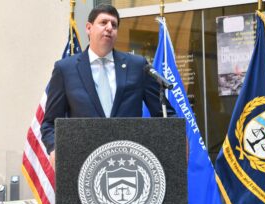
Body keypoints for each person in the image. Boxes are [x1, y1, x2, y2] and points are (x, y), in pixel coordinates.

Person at [41, 4, 175, 168]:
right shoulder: (65, 69)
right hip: (83, 163)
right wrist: (54, 148)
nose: (109, 28)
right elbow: (49, 124)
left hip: (130, 162)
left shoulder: (137, 66)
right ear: (89, 28)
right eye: (103, 22)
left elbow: (165, 115)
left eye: (114, 25)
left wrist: (176, 136)